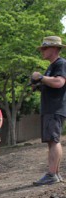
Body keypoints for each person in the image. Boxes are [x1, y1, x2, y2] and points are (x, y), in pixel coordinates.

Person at [31, 35, 66, 185]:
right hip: (51, 108)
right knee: (52, 141)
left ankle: (52, 174)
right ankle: (55, 174)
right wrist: (38, 84)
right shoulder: (52, 66)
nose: (42, 51)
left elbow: (59, 82)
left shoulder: (61, 63)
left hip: (55, 108)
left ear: (54, 49)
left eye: (45, 48)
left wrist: (41, 77)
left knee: (53, 140)